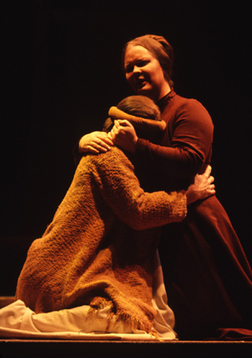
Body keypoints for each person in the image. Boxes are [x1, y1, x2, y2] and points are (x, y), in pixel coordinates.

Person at [78, 34, 252, 341]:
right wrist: (83, 143)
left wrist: (139, 146)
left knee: (231, 311)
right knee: (190, 318)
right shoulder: (133, 116)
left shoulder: (187, 109)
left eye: (143, 62)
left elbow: (190, 160)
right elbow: (107, 161)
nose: (135, 71)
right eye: (129, 67)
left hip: (196, 224)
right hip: (159, 223)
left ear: (162, 65)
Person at [0, 95, 215, 340]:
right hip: (61, 275)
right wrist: (185, 198)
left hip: (57, 272)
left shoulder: (112, 156)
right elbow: (138, 210)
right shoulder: (109, 156)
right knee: (119, 319)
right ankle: (23, 322)